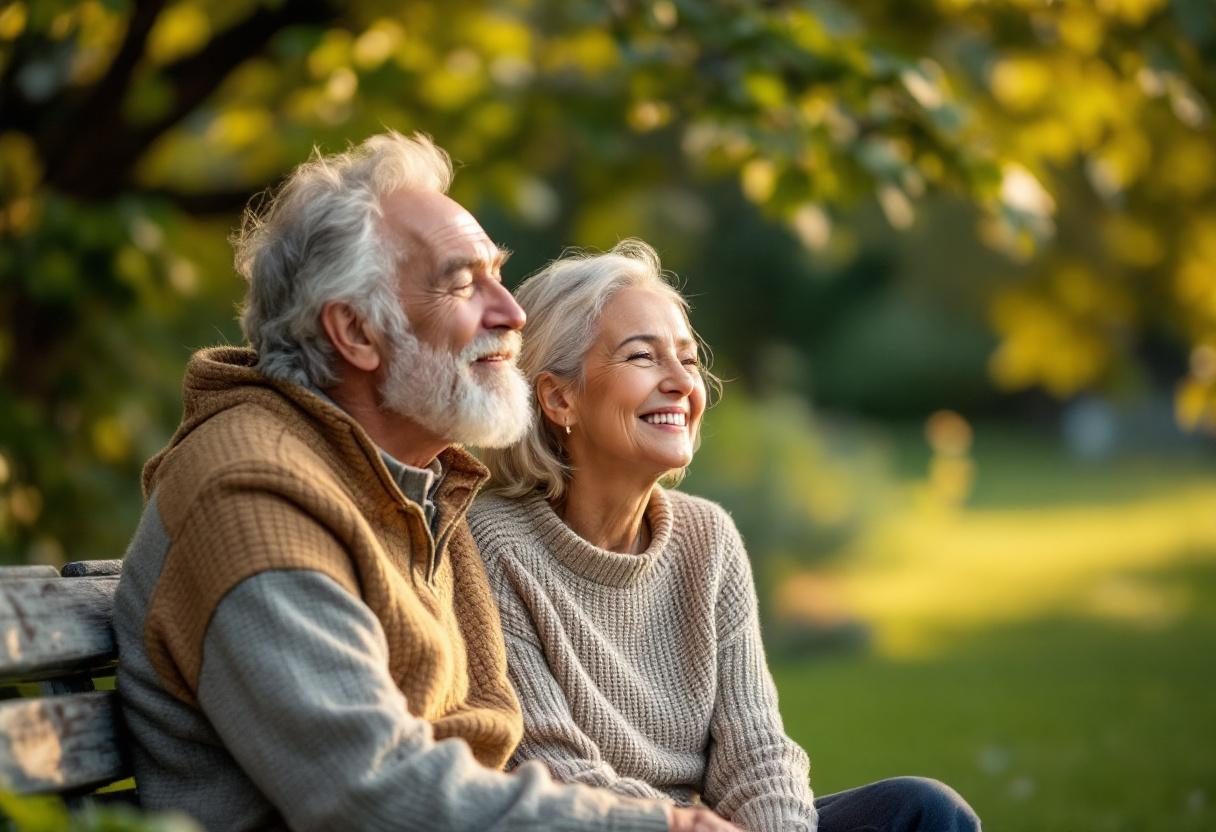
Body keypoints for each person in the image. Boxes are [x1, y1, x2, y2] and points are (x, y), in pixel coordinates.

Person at [113, 133, 736, 832]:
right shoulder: (251, 493)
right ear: (355, 331)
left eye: (498, 275)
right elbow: (369, 792)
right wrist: (662, 827)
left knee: (890, 809)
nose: (513, 314)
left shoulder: (413, 490)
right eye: (465, 283)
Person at [471, 241, 983, 832]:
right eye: (643, 357)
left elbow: (758, 752)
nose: (679, 383)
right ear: (560, 397)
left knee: (924, 810)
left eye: (687, 361)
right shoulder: (492, 543)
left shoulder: (706, 537)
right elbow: (553, 769)